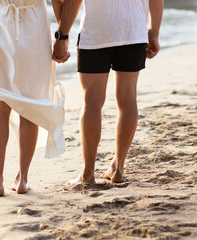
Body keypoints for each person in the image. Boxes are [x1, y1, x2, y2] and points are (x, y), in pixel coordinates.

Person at [53, 0, 164, 184]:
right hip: (133, 30)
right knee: (128, 100)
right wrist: (154, 33)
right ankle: (118, 168)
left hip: (97, 31)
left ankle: (88, 174)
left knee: (91, 102)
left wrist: (62, 36)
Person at [0, 0, 69, 196]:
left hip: (1, 26)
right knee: (31, 106)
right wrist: (62, 37)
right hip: (33, 28)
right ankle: (22, 179)